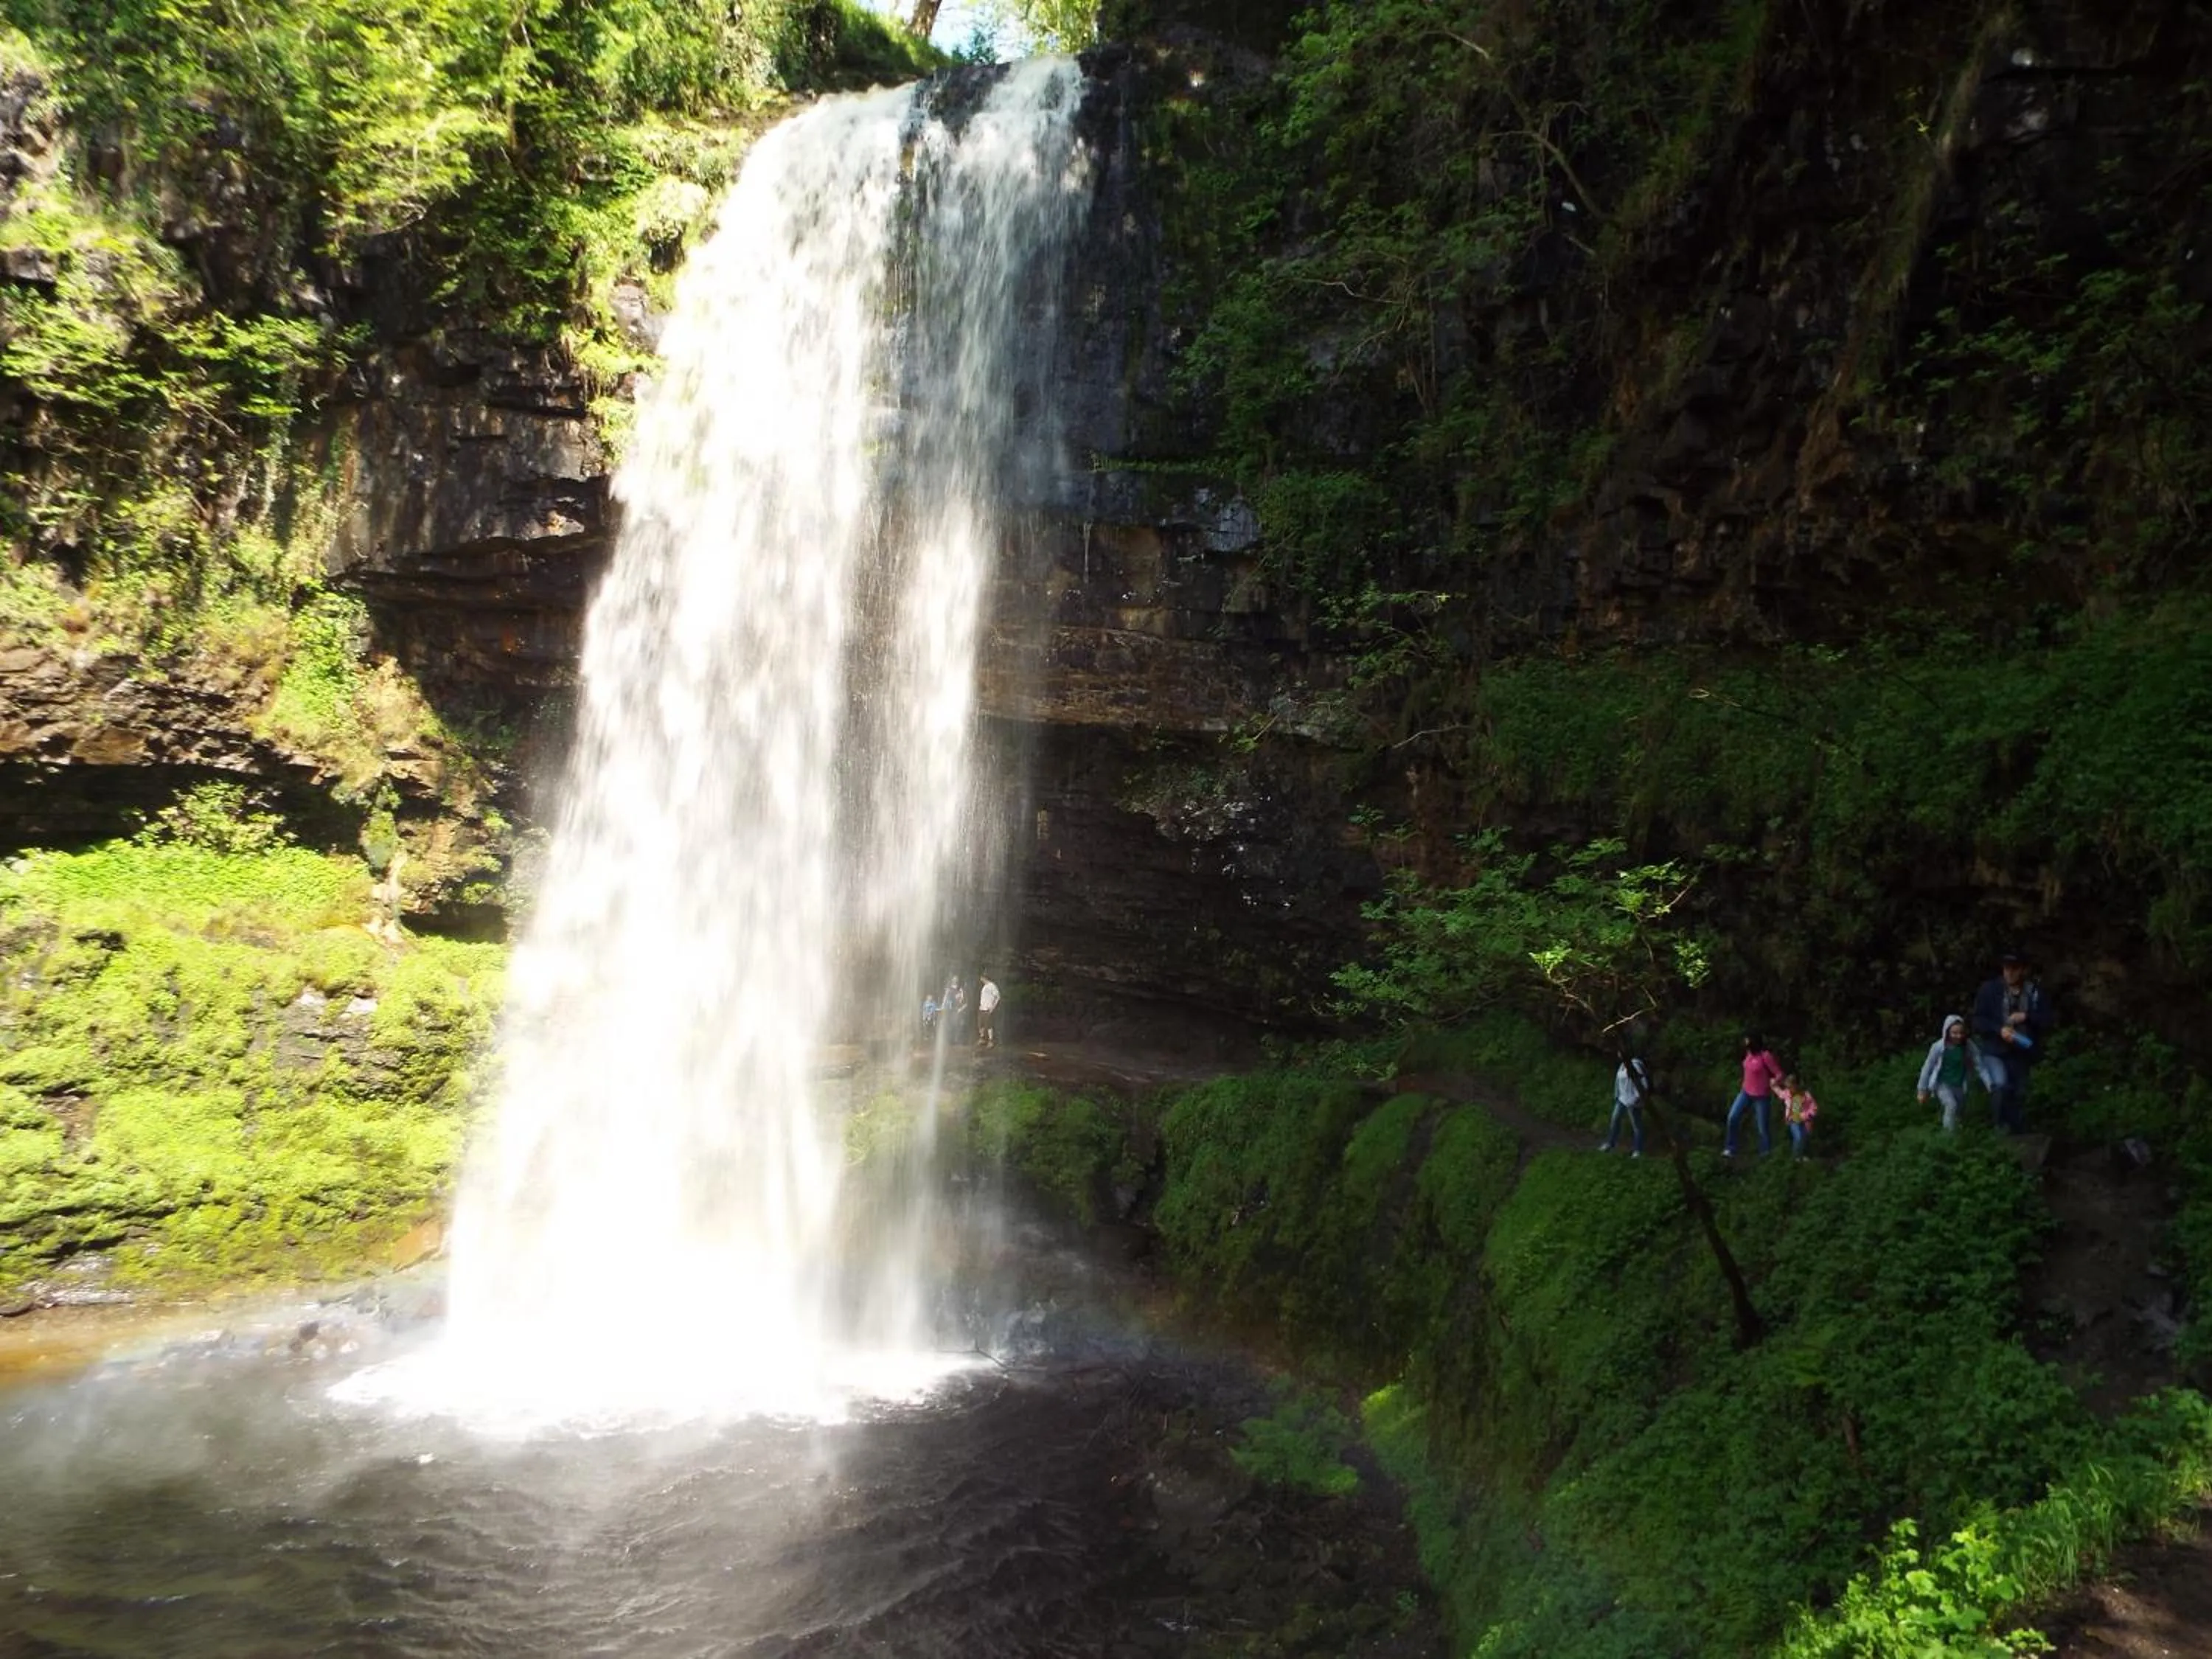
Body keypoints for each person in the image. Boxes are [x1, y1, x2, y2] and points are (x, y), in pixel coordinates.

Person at [1971, 949, 2051, 1133]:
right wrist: (1998, 1030)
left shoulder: (2034, 992)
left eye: (2014, 968)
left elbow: (2048, 1020)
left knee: (2019, 1092)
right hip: (1994, 1049)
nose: (2010, 973)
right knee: (2000, 1085)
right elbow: (1978, 1020)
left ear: (2023, 970)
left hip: (2022, 1051)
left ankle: (2017, 1133)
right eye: (2007, 968)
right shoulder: (1990, 990)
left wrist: (2027, 1017)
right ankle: (2000, 1129)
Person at [1916, 1014, 1992, 1132]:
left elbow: (1980, 1066)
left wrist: (1989, 1084)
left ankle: (1959, 1136)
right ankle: (1948, 1139)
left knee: (1959, 1112)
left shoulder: (1969, 1046)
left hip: (1960, 1084)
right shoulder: (1938, 1047)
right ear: (1947, 1032)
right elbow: (1928, 1067)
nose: (1958, 1036)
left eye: (1961, 1033)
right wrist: (1922, 1089)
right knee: (1951, 1105)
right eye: (1954, 1033)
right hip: (1942, 1083)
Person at [1723, 1032, 1785, 1158]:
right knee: (1732, 1117)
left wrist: (1775, 1081)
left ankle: (1765, 1153)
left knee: (1762, 1127)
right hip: (1745, 1092)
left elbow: (1779, 1074)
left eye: (1747, 1040)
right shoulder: (1748, 1054)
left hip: (1761, 1096)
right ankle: (1731, 1148)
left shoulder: (1765, 1056)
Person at [1599, 1054, 1650, 1158]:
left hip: (1633, 1101)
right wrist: (1617, 1095)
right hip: (1622, 1099)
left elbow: (1644, 1084)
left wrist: (1637, 1098)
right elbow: (1618, 1081)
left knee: (1636, 1125)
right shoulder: (1622, 1066)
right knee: (1615, 1120)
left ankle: (1638, 1150)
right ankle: (1610, 1143)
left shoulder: (1636, 1066)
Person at [1775, 1073, 1818, 1160]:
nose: (1790, 1089)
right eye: (1788, 1087)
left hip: (1805, 1119)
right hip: (1793, 1120)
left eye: (1791, 1087)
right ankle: (1796, 1157)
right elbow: (1780, 1093)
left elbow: (1814, 1108)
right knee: (1798, 1137)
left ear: (1796, 1085)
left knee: (1806, 1137)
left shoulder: (1805, 1095)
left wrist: (1807, 1116)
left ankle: (1804, 1155)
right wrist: (1774, 1085)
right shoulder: (1787, 1094)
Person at [975, 974, 1001, 1048]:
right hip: (982, 1008)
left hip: (988, 1009)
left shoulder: (992, 986)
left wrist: (993, 1007)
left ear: (984, 978)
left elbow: (998, 996)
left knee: (989, 1025)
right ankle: (982, 1038)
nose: (980, 980)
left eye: (981, 978)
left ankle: (991, 1041)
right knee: (981, 1024)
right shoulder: (985, 986)